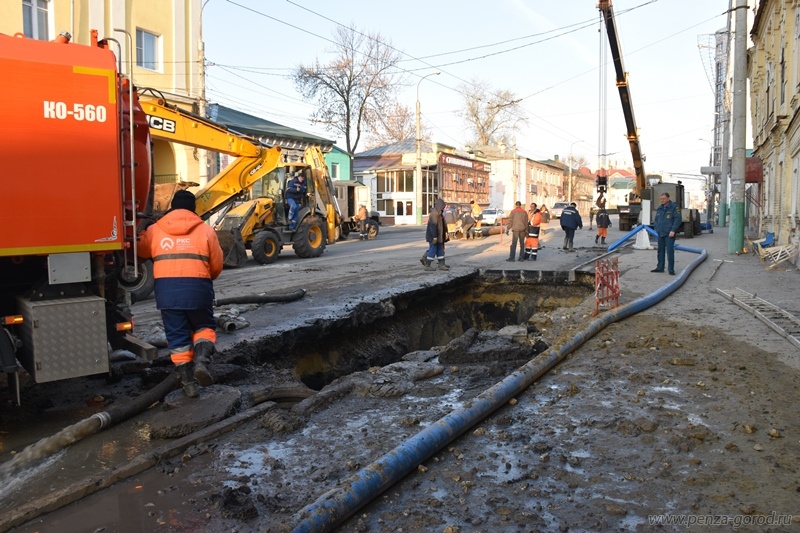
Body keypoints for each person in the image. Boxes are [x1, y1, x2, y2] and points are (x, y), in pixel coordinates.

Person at [138, 190, 224, 398]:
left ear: (172, 207)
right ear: (194, 209)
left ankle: (188, 384)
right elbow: (216, 266)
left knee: (177, 337)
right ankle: (201, 361)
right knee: (204, 327)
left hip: (167, 293)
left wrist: (142, 232)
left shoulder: (155, 230)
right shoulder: (206, 230)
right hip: (198, 289)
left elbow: (140, 251)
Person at [652, 192, 681, 275]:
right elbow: (656, 220)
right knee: (660, 251)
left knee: (670, 251)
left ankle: (671, 269)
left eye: (664, 198)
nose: (662, 200)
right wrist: (657, 228)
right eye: (661, 199)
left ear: (668, 198)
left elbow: (678, 219)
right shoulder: (660, 208)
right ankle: (660, 267)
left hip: (669, 233)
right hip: (660, 233)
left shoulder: (674, 207)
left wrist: (673, 230)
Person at [422, 198, 449, 271]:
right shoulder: (434, 213)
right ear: (440, 205)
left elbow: (443, 225)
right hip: (433, 236)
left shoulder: (440, 213)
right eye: (443, 206)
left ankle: (441, 264)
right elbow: (433, 226)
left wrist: (446, 233)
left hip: (439, 236)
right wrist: (434, 237)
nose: (444, 208)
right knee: (433, 249)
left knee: (440, 249)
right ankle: (427, 265)